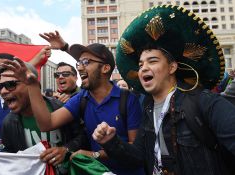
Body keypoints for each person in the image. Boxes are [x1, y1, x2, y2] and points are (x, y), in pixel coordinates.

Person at [92, 5, 235, 175]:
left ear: (172, 67)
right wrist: (111, 142)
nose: (143, 68)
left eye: (152, 61)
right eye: (140, 64)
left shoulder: (204, 102)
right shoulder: (147, 108)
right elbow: (138, 156)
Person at [0, 43, 144, 175]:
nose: (80, 67)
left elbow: (135, 151)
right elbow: (46, 124)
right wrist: (32, 85)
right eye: (79, 63)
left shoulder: (128, 100)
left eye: (86, 62)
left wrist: (95, 154)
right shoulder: (81, 99)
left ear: (105, 68)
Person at [0, 63, 88, 174]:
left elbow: (84, 137)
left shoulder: (61, 108)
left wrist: (66, 150)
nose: (3, 91)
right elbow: (8, 159)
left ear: (33, 85)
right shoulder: (8, 123)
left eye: (10, 84)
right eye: (0, 87)